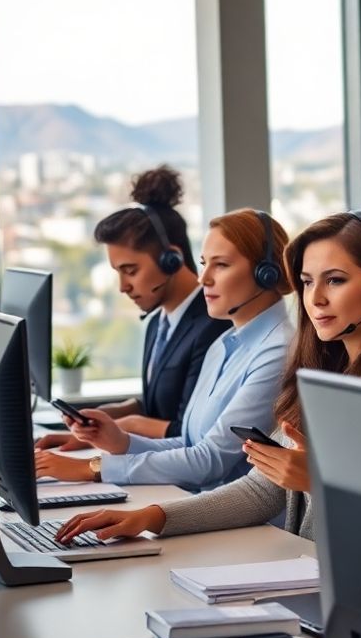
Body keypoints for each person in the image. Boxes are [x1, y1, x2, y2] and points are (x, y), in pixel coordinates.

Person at [53, 211, 361, 543]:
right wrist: (149, 517)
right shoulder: (326, 369)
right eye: (306, 282)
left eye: (335, 280)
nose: (315, 299)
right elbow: (260, 489)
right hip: (310, 568)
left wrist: (322, 480)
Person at [35, 209, 296, 492]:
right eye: (203, 263)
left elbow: (209, 461)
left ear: (265, 273)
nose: (203, 278)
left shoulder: (278, 352)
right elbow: (188, 442)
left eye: (220, 265)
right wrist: (120, 441)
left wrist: (91, 468)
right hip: (195, 505)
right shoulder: (223, 346)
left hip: (241, 523)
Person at [37, 166, 228, 449]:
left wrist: (120, 428)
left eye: (130, 270)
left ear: (171, 259)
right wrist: (103, 417)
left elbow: (186, 429)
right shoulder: (157, 322)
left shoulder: (213, 325)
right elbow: (156, 404)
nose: (123, 286)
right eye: (118, 271)